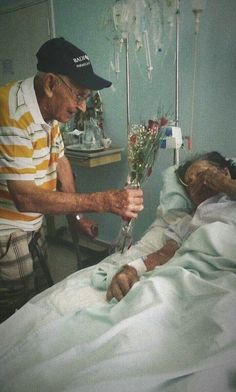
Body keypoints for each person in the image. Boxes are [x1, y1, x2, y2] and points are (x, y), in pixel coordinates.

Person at [0, 37, 143, 311]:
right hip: (7, 229)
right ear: (51, 84)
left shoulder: (50, 111)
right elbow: (25, 198)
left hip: (32, 224)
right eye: (79, 96)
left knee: (40, 300)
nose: (82, 107)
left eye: (86, 98)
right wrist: (104, 201)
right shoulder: (12, 111)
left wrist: (77, 218)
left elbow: (61, 162)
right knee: (13, 315)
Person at [107, 151, 236, 301]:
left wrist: (226, 185)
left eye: (202, 174)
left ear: (225, 172)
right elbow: (163, 255)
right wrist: (131, 269)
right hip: (193, 279)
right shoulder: (186, 223)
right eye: (190, 182)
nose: (195, 183)